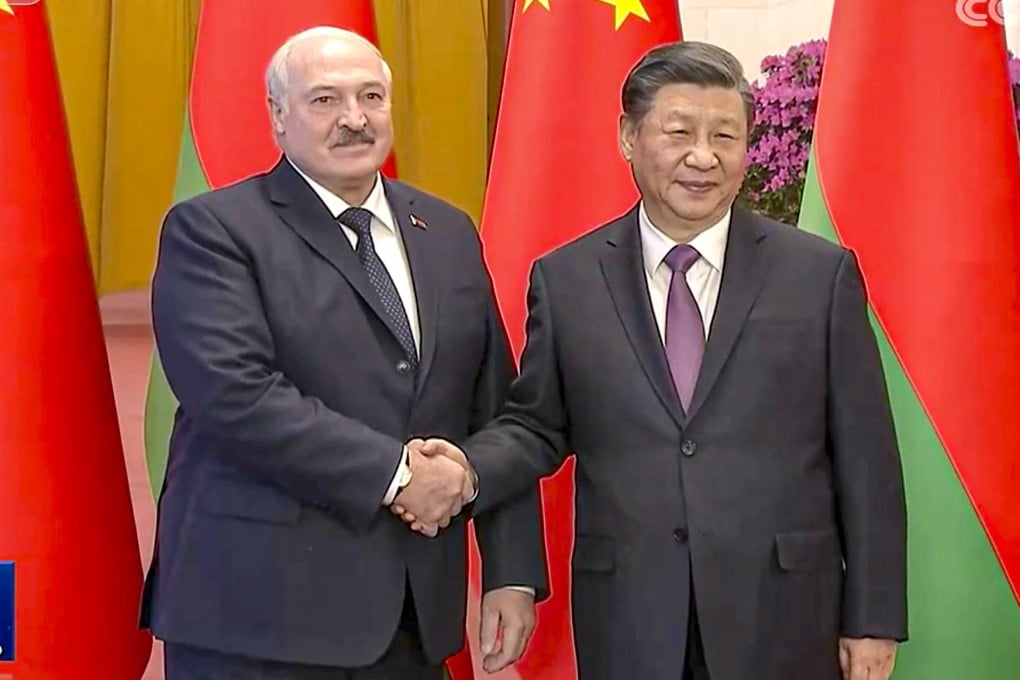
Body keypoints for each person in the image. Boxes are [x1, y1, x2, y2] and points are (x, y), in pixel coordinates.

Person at [399, 41, 907, 680]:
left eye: (726, 135)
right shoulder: (568, 279)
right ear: (628, 138)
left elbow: (867, 458)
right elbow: (535, 425)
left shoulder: (818, 275)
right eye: (679, 132)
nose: (704, 156)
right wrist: (468, 470)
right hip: (631, 613)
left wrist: (873, 617)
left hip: (783, 611)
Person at [139, 26, 547, 679]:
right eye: (325, 100)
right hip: (257, 622)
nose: (355, 119)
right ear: (277, 115)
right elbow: (237, 397)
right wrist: (403, 475)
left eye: (371, 97)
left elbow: (496, 406)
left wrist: (512, 571)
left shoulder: (444, 231)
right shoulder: (214, 231)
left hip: (413, 619)